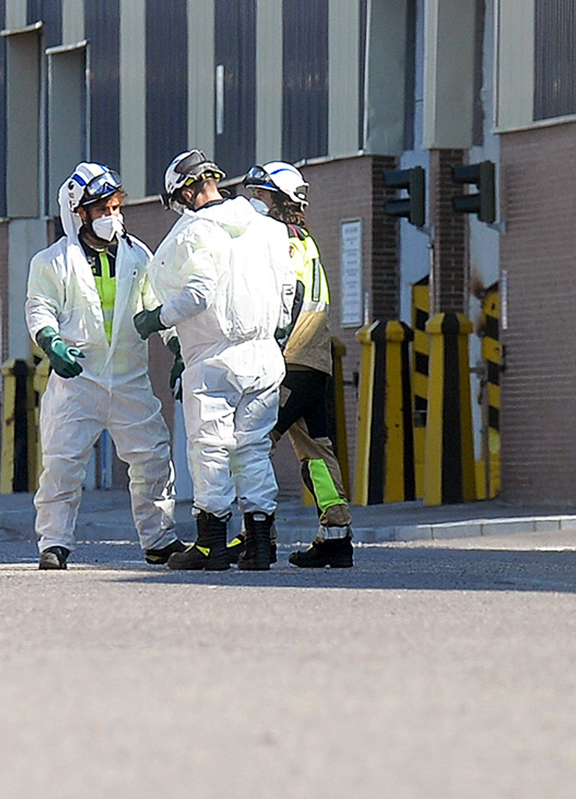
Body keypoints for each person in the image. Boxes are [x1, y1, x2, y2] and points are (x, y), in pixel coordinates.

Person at [134, 150, 294, 572]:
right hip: (264, 356)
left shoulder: (194, 233)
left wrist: (156, 319)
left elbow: (198, 293)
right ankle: (260, 544)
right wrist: (274, 334)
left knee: (211, 451)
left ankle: (211, 545)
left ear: (185, 192)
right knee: (254, 450)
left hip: (214, 358)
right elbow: (288, 292)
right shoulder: (267, 228)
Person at [27, 163, 183, 570]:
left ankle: (159, 539)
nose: (113, 217)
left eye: (116, 207)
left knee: (152, 459)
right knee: (62, 464)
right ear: (79, 213)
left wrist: (177, 348)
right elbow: (39, 307)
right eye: (103, 209)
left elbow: (155, 306)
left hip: (130, 377)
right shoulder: (52, 262)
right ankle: (55, 543)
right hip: (78, 378)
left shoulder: (139, 255)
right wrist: (51, 342)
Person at [243, 161, 354, 568]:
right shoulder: (304, 238)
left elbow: (289, 297)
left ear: (277, 200)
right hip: (316, 361)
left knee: (251, 443)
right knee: (316, 451)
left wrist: (268, 346)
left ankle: (256, 535)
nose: (252, 202)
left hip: (289, 359)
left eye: (259, 195)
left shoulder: (279, 241)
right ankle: (336, 537)